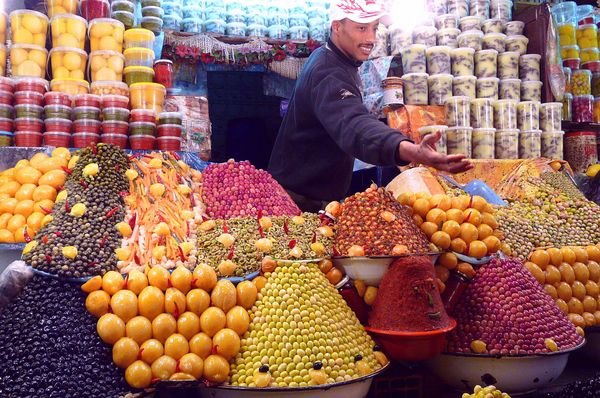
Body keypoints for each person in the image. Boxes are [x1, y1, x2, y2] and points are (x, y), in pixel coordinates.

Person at [268, 0, 473, 212]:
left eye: (374, 28)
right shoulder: (328, 71)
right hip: (297, 202)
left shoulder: (335, 59)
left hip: (310, 196)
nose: (371, 38)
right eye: (361, 28)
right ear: (337, 26)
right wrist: (411, 151)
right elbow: (354, 124)